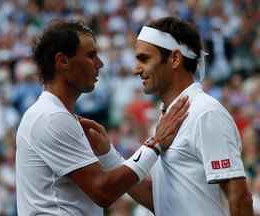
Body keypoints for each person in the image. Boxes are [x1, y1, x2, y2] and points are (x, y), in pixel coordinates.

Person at [81, 17, 253, 216]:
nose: (136, 69)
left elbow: (240, 197)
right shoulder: (167, 118)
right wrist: (108, 155)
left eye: (144, 59)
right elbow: (160, 201)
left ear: (175, 59)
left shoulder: (206, 113)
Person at [15, 20, 189, 215]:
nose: (100, 64)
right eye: (91, 56)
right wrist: (155, 143)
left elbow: (148, 198)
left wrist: (108, 154)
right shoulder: (51, 117)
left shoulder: (54, 115)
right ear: (62, 61)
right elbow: (103, 192)